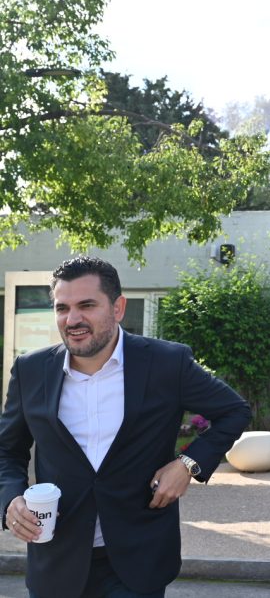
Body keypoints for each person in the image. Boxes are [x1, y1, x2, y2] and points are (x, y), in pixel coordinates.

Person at [0, 256, 251, 598]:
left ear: (118, 308)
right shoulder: (31, 370)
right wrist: (11, 499)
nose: (72, 320)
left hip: (138, 561)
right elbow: (7, 450)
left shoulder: (166, 363)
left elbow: (235, 411)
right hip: (56, 562)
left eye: (87, 305)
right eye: (62, 308)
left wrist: (187, 464)